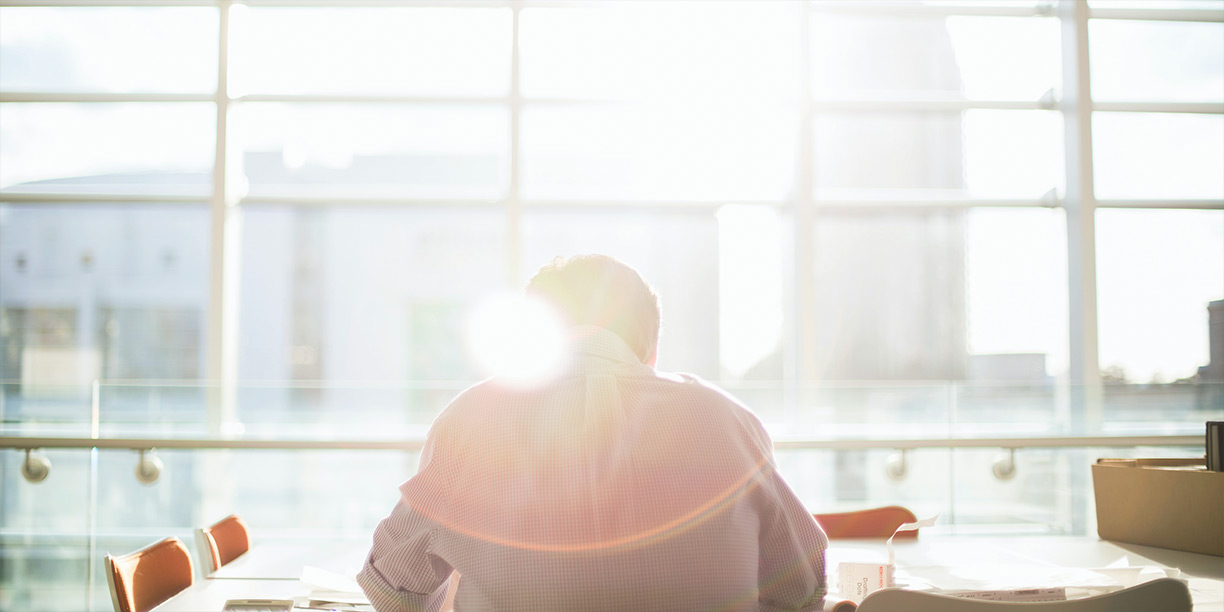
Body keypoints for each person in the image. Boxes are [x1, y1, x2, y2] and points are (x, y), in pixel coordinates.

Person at [358, 254, 827, 612]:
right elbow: (801, 586)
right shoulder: (727, 421)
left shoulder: (473, 418)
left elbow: (392, 587)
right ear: (652, 348)